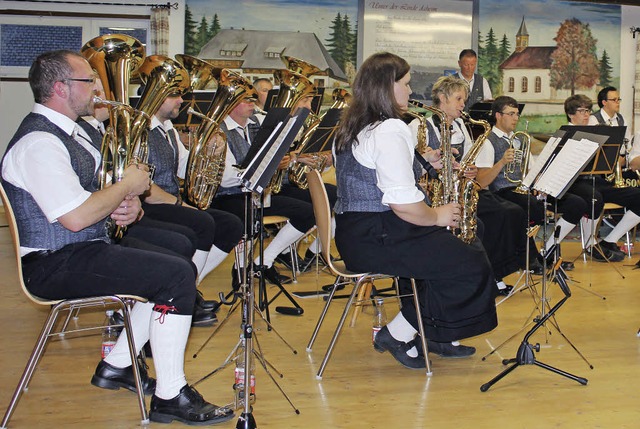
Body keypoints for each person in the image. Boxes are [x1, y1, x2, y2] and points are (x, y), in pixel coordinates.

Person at [1, 50, 233, 425]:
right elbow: (76, 218)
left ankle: (118, 364)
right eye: (88, 81)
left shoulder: (71, 134)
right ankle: (170, 395)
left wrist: (131, 208)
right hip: (53, 261)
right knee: (174, 276)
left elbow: (100, 195)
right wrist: (127, 186)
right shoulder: (39, 144)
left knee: (178, 258)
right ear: (60, 88)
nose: (97, 88)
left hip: (85, 245)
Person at [333, 52, 497, 367]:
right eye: (405, 85)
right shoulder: (390, 128)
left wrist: (424, 161)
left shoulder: (354, 124)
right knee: (470, 264)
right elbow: (404, 205)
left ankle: (430, 332)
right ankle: (397, 333)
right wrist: (438, 215)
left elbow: (372, 172)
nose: (410, 92)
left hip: (356, 233)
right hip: (377, 234)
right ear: (385, 87)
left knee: (455, 251)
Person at [77, 78, 218, 326]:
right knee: (189, 236)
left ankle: (180, 300)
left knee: (194, 233)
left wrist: (209, 154)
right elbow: (125, 184)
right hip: (107, 225)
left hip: (122, 213)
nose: (101, 95)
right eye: (95, 88)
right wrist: (174, 202)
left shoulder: (164, 130)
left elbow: (129, 177)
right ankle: (171, 305)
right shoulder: (85, 133)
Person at [414, 76, 532, 294]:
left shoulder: (460, 125)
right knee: (489, 220)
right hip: (435, 195)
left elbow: (471, 161)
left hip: (461, 190)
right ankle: (475, 275)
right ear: (442, 98)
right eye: (459, 99)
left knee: (508, 212)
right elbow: (412, 164)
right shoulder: (421, 125)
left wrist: (471, 170)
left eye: (464, 99)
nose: (463, 104)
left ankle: (496, 271)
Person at [140, 92, 245, 293]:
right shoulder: (143, 131)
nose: (181, 101)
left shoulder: (168, 129)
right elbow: (146, 189)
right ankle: (185, 290)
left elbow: (185, 167)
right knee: (202, 223)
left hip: (170, 202)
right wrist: (180, 204)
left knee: (231, 225)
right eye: (173, 95)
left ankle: (191, 285)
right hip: (148, 205)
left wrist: (210, 154)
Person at [209, 96, 316, 288]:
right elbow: (226, 179)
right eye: (245, 100)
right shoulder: (220, 132)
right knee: (250, 219)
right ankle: (240, 270)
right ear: (231, 104)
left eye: (252, 99)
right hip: (230, 195)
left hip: (259, 193)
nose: (252, 103)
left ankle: (264, 261)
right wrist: (267, 168)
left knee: (308, 212)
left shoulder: (257, 124)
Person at [475, 95, 588, 271]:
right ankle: (529, 257)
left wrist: (539, 185)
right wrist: (502, 162)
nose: (515, 118)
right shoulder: (488, 142)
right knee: (532, 208)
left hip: (525, 188)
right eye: (511, 114)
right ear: (498, 115)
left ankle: (547, 252)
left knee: (576, 204)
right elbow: (481, 181)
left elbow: (532, 170)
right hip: (502, 191)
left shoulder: (520, 139)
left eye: (517, 114)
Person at [565, 94, 640, 261]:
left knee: (637, 196)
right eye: (582, 111)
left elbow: (606, 163)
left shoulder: (593, 133)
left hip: (596, 181)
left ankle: (609, 240)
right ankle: (590, 245)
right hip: (573, 182)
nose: (586, 115)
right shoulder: (565, 133)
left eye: (588, 111)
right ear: (571, 114)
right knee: (595, 199)